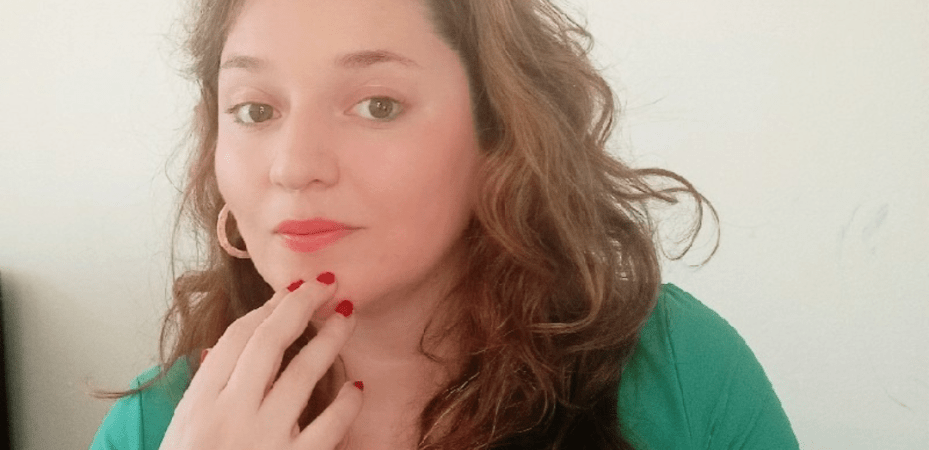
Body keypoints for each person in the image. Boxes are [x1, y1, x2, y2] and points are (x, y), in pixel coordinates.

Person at [91, 0, 799, 449]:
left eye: (377, 105)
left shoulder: (678, 372)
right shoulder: (154, 429)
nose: (294, 165)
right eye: (255, 110)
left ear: (497, 138)